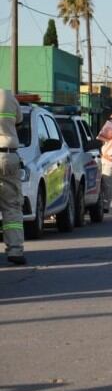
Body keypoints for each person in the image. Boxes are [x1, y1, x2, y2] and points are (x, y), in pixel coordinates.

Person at [0, 89, 25, 265]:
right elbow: (19, 120)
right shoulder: (7, 96)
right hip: (8, 155)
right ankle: (15, 250)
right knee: (11, 205)